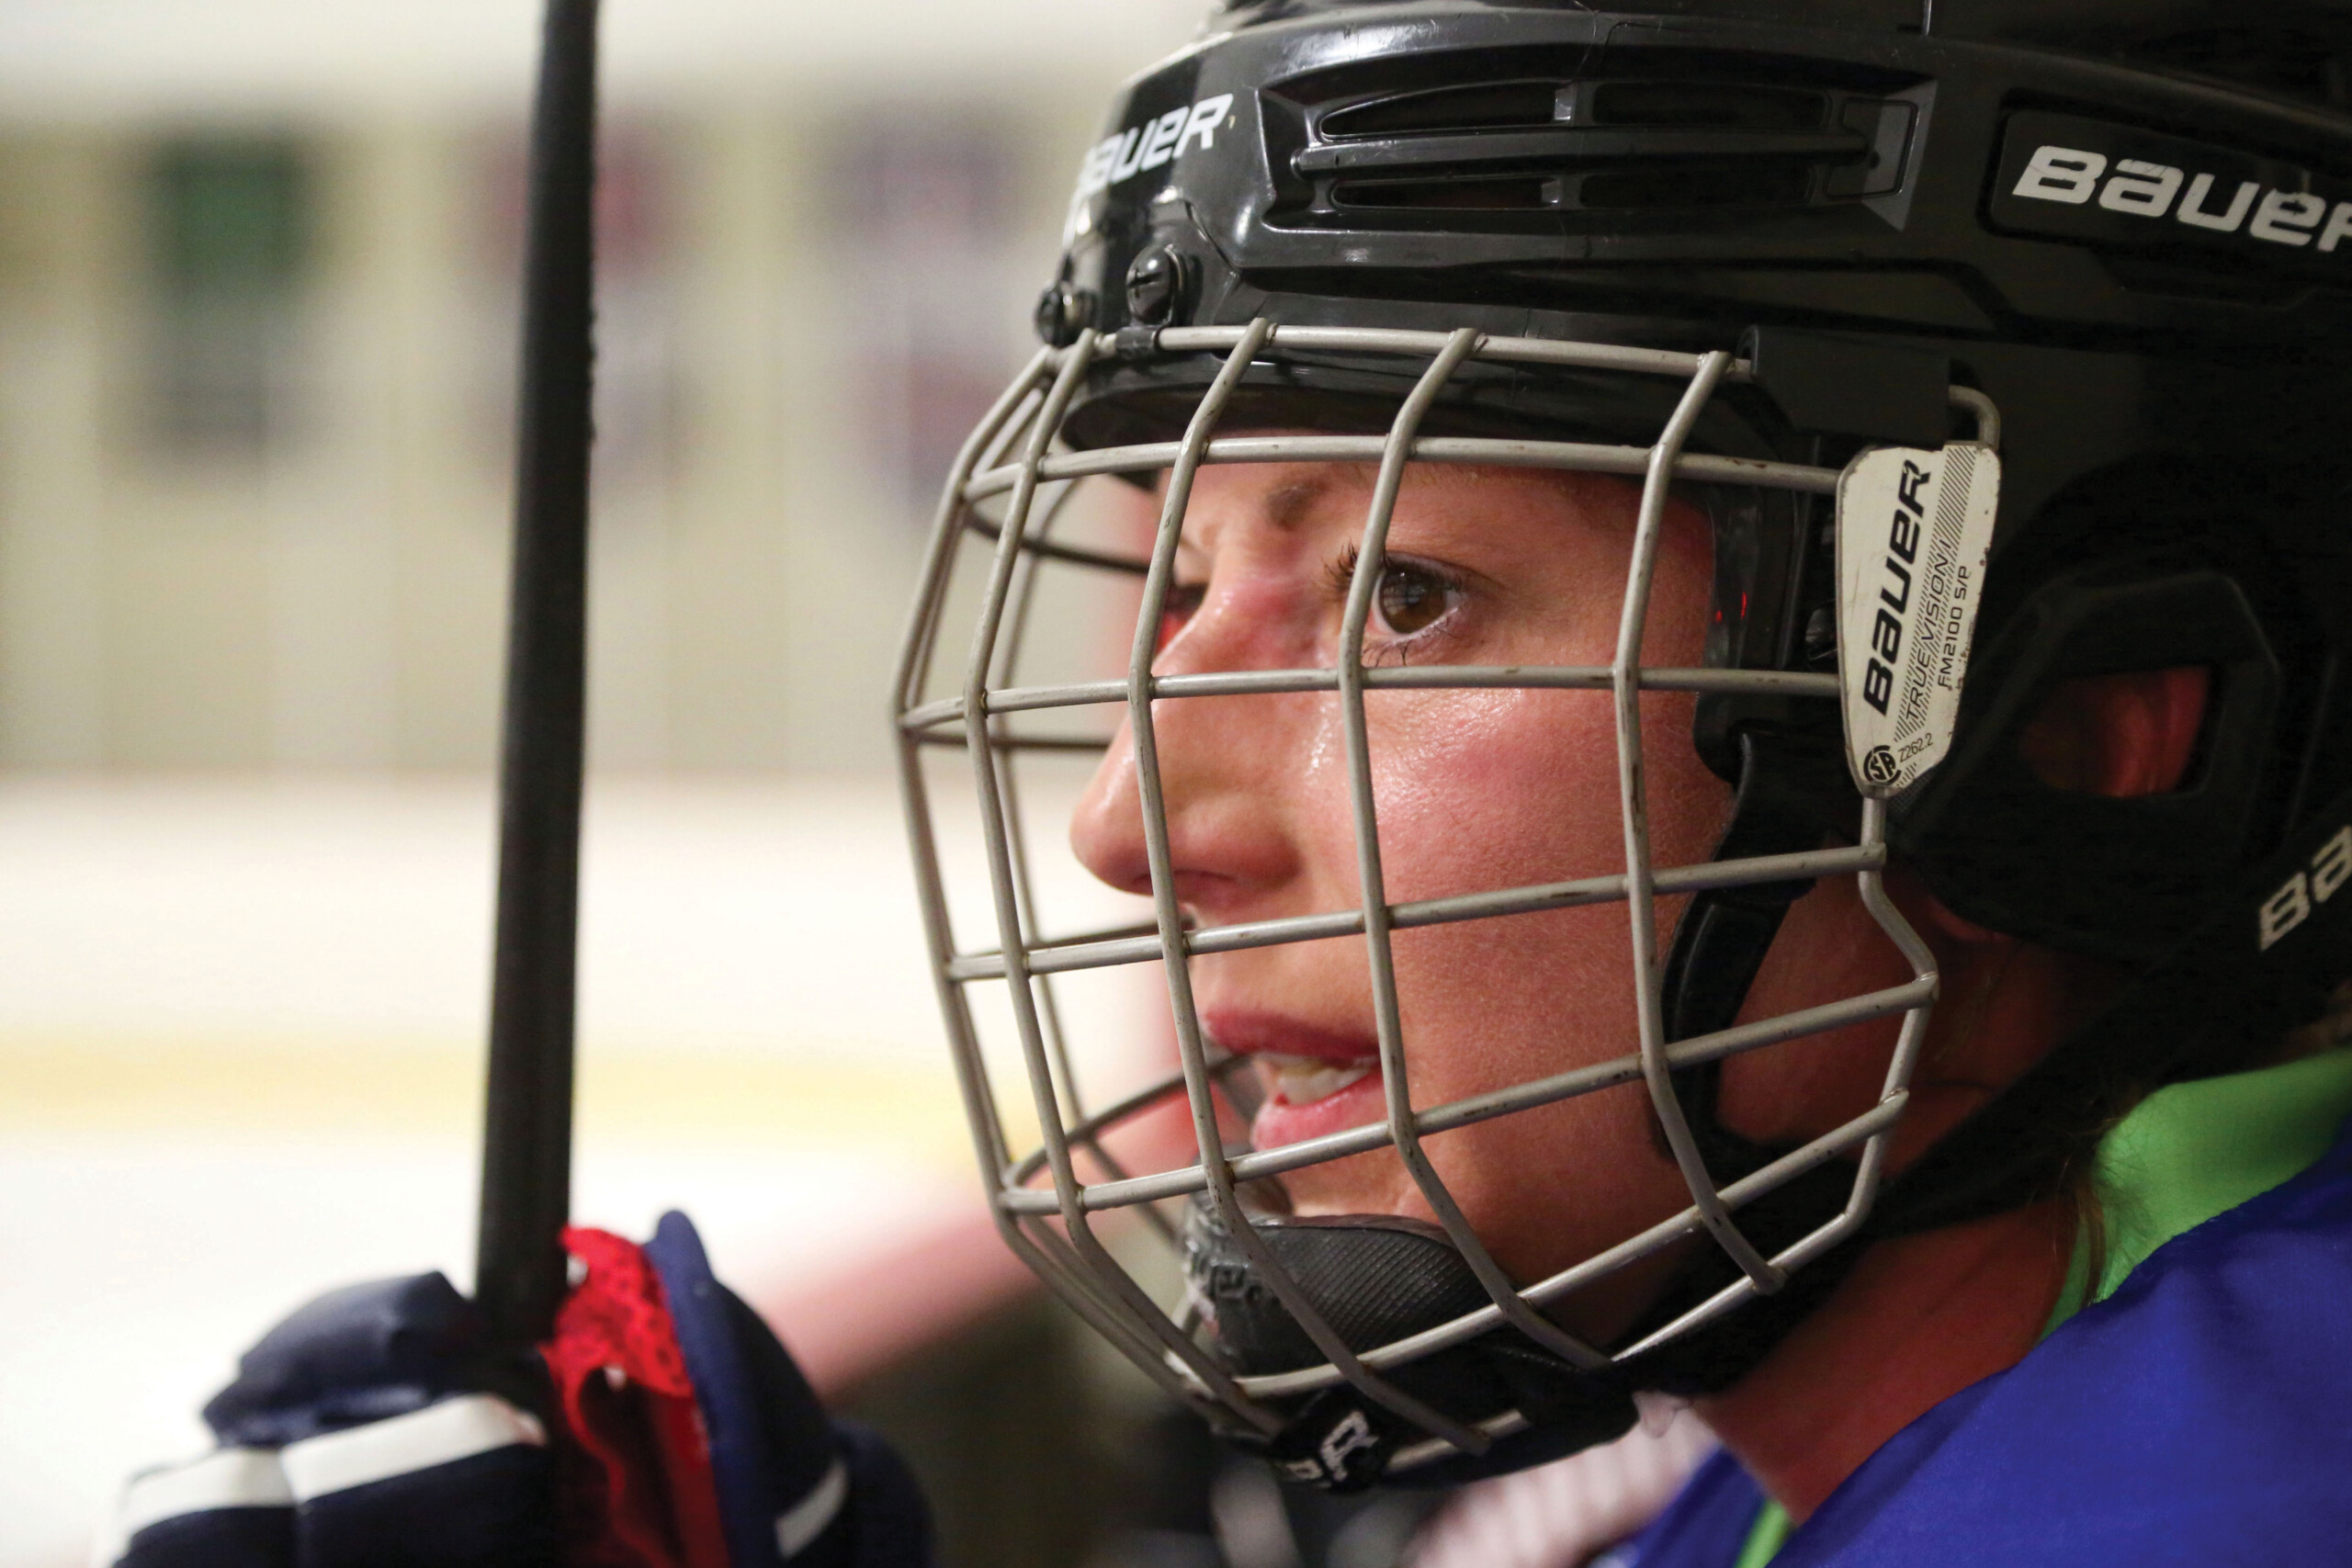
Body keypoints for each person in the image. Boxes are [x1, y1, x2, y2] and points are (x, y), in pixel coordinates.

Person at [110, 1, 2352, 1564]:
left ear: (2087, 732)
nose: (1130, 825)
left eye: (1403, 595)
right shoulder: (1895, 1425)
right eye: (1180, 583)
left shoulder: (2202, 1505)